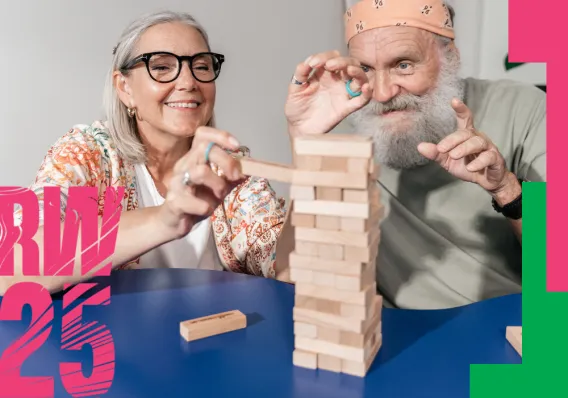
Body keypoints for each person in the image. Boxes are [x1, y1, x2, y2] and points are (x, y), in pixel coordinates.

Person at [1, 10, 292, 295]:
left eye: (201, 66)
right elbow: (15, 265)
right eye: (162, 67)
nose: (189, 82)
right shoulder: (88, 155)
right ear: (124, 87)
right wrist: (164, 219)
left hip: (214, 338)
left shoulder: (227, 167)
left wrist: (308, 141)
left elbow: (293, 270)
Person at [284, 0, 545, 309]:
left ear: (450, 56)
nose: (382, 93)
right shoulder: (345, 131)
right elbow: (290, 279)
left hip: (509, 326)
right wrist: (304, 141)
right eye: (366, 68)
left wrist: (507, 190)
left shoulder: (522, 108)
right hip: (397, 336)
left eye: (403, 65)